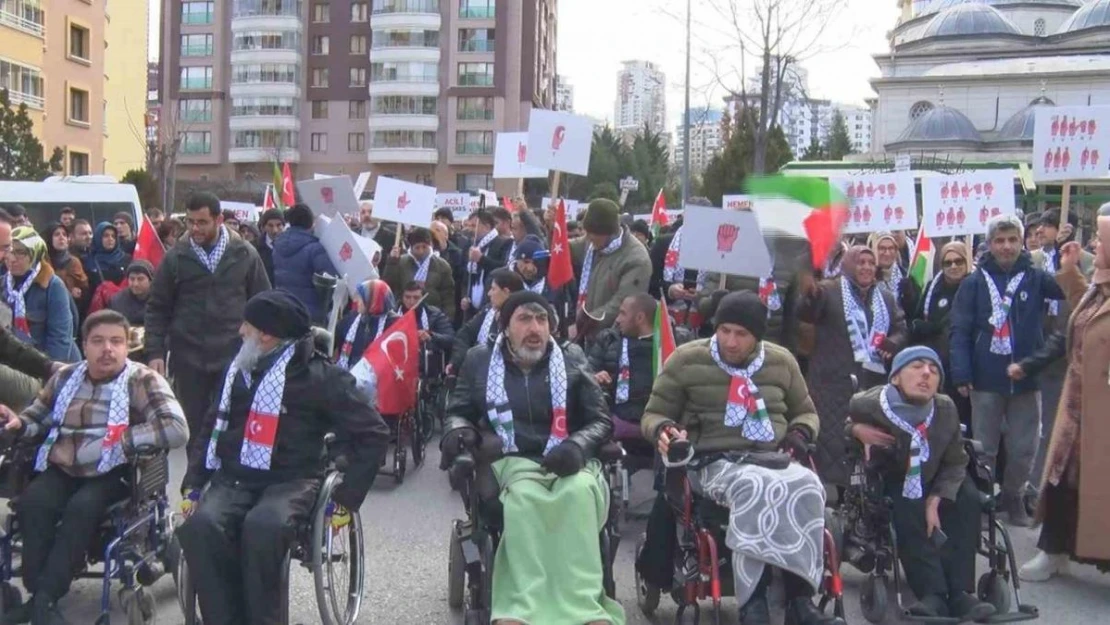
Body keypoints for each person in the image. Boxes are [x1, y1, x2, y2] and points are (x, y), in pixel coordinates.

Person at [177, 291, 390, 625]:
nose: (239, 332)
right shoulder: (236, 370)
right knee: (201, 527)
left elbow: (373, 433)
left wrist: (348, 499)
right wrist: (194, 483)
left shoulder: (321, 376)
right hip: (234, 475)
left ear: (267, 333)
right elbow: (210, 426)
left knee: (263, 527)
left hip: (293, 478)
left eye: (246, 325)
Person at [640, 292, 839, 625]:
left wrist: (801, 433)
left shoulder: (782, 361)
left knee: (808, 484)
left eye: (741, 334)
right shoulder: (687, 360)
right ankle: (753, 602)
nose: (731, 341)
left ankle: (800, 599)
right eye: (725, 330)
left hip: (773, 457)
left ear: (757, 337)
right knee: (753, 485)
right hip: (712, 461)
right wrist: (665, 429)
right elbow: (653, 414)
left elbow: (806, 412)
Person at [440, 291, 624, 625]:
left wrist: (578, 446)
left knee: (578, 494)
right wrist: (458, 432)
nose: (535, 327)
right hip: (510, 457)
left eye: (542, 320)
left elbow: (601, 420)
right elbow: (458, 412)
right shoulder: (480, 360)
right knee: (525, 499)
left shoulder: (572, 358)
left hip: (566, 457)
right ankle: (521, 605)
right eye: (525, 319)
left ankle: (583, 605)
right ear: (506, 326)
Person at [0, 309, 188, 624]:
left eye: (116, 341)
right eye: (98, 341)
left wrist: (120, 441)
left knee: (81, 510)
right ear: (83, 345)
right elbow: (37, 416)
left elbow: (176, 427)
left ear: (127, 346)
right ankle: (40, 593)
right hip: (63, 467)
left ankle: (43, 600)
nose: (107, 349)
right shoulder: (65, 377)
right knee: (32, 505)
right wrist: (18, 423)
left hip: (114, 471)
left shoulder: (141, 379)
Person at [846, 346, 995, 620]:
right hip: (895, 478)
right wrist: (856, 430)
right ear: (895, 378)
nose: (926, 373)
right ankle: (933, 594)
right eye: (916, 367)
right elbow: (845, 425)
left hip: (937, 477)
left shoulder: (945, 408)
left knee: (968, 498)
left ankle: (961, 593)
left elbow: (955, 461)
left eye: (934, 369)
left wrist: (937, 498)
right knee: (906, 505)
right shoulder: (869, 404)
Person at [1011, 209, 1110, 580]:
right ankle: (1054, 551)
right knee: (1060, 478)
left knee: (1097, 485)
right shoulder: (1100, 286)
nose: (1095, 245)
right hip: (1078, 406)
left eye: (1101, 240)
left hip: (1103, 410)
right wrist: (1069, 272)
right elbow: (1089, 315)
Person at [949, 214, 1065, 526]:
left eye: (1013, 239)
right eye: (1000, 240)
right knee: (984, 447)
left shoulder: (1036, 277)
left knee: (1024, 447)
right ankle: (985, 498)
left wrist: (1063, 252)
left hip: (1026, 379)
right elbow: (959, 329)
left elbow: (1069, 293)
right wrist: (962, 373)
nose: (1007, 246)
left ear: (1022, 242)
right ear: (989, 244)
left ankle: (1014, 497)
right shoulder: (974, 283)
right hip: (985, 378)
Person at [144, 192, 271, 451]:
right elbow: (157, 307)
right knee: (196, 427)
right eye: (190, 222)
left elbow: (263, 301)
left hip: (234, 353)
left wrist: (263, 347)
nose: (194, 229)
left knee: (233, 423)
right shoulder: (176, 257)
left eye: (202, 222)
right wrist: (155, 351)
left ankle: (227, 483)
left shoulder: (244, 254)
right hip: (189, 355)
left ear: (219, 220)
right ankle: (194, 486)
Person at [797, 245, 907, 487]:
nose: (867, 267)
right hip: (831, 384)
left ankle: (864, 496)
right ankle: (834, 500)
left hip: (872, 383)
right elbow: (806, 314)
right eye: (860, 262)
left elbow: (900, 328)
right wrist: (809, 294)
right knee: (832, 445)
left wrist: (893, 342)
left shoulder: (885, 297)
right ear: (847, 264)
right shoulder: (828, 290)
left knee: (866, 445)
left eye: (870, 262)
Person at [587, 293, 664, 450]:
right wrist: (595, 378)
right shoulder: (608, 340)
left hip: (656, 424)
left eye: (623, 313)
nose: (617, 319)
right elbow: (584, 374)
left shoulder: (667, 348)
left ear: (640, 318)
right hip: (613, 418)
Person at [908, 242, 972, 428]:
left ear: (967, 262)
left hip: (963, 368)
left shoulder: (975, 286)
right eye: (947, 262)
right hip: (934, 365)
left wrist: (938, 325)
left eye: (959, 261)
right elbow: (916, 320)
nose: (953, 266)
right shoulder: (933, 287)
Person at [570, 199, 652, 342]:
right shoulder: (593, 242)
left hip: (613, 340)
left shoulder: (636, 259)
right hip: (587, 334)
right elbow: (566, 249)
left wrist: (583, 325)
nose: (587, 238)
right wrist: (553, 228)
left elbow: (621, 304)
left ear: (608, 233)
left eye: (591, 234)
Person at [2, 227, 79, 363]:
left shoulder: (52, 285)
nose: (12, 259)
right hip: (14, 366)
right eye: (9, 251)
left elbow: (60, 338)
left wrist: (48, 372)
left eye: (20, 252)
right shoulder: (3, 284)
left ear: (35, 254)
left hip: (49, 364)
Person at [271, 204, 337, 325]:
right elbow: (328, 280)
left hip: (283, 308)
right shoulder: (315, 249)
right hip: (309, 314)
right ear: (311, 223)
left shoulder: (277, 246)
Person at [449, 269, 524, 374]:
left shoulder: (522, 319)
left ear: (506, 292)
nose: (489, 294)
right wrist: (458, 360)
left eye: (493, 289)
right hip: (473, 368)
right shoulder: (488, 309)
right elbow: (465, 333)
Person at [383, 227, 456, 320]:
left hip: (432, 315)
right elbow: (389, 285)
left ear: (430, 246)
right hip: (404, 314)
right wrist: (392, 262)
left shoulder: (442, 265)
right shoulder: (401, 262)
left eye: (424, 247)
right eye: (417, 247)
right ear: (411, 248)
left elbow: (448, 297)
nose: (421, 251)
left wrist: (446, 319)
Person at [334, 280, 400, 370]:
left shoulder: (394, 325)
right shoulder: (350, 319)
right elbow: (337, 341)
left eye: (361, 297)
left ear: (373, 301)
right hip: (348, 377)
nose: (356, 300)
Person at [512, 235, 571, 334]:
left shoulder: (555, 283)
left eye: (530, 262)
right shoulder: (510, 281)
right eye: (523, 262)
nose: (528, 268)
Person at [397, 281, 455, 379]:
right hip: (398, 369)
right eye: (407, 297)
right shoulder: (393, 314)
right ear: (402, 297)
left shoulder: (434, 314)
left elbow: (451, 339)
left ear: (423, 298)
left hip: (426, 370)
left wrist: (431, 336)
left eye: (416, 298)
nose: (411, 302)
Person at [462, 209, 511, 317]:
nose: (470, 230)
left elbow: (503, 269)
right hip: (471, 307)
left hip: (490, 304)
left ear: (487, 226)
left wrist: (481, 259)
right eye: (469, 226)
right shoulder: (471, 244)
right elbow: (465, 276)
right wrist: (464, 295)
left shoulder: (504, 243)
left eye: (474, 226)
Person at [41, 222, 87, 304]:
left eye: (64, 235)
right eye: (56, 234)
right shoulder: (42, 262)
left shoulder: (74, 261)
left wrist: (78, 292)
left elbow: (84, 286)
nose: (61, 237)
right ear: (49, 238)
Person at [107, 260, 154, 327]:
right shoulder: (117, 301)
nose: (135, 284)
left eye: (140, 279)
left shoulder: (161, 300)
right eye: (132, 279)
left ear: (151, 281)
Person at [356, 200, 396, 266]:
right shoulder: (353, 233)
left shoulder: (391, 237)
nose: (366, 215)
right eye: (363, 212)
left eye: (370, 212)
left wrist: (392, 258)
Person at [255, 208, 284, 285]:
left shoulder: (290, 247)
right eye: (270, 225)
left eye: (279, 225)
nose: (275, 230)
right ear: (264, 227)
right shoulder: (254, 247)